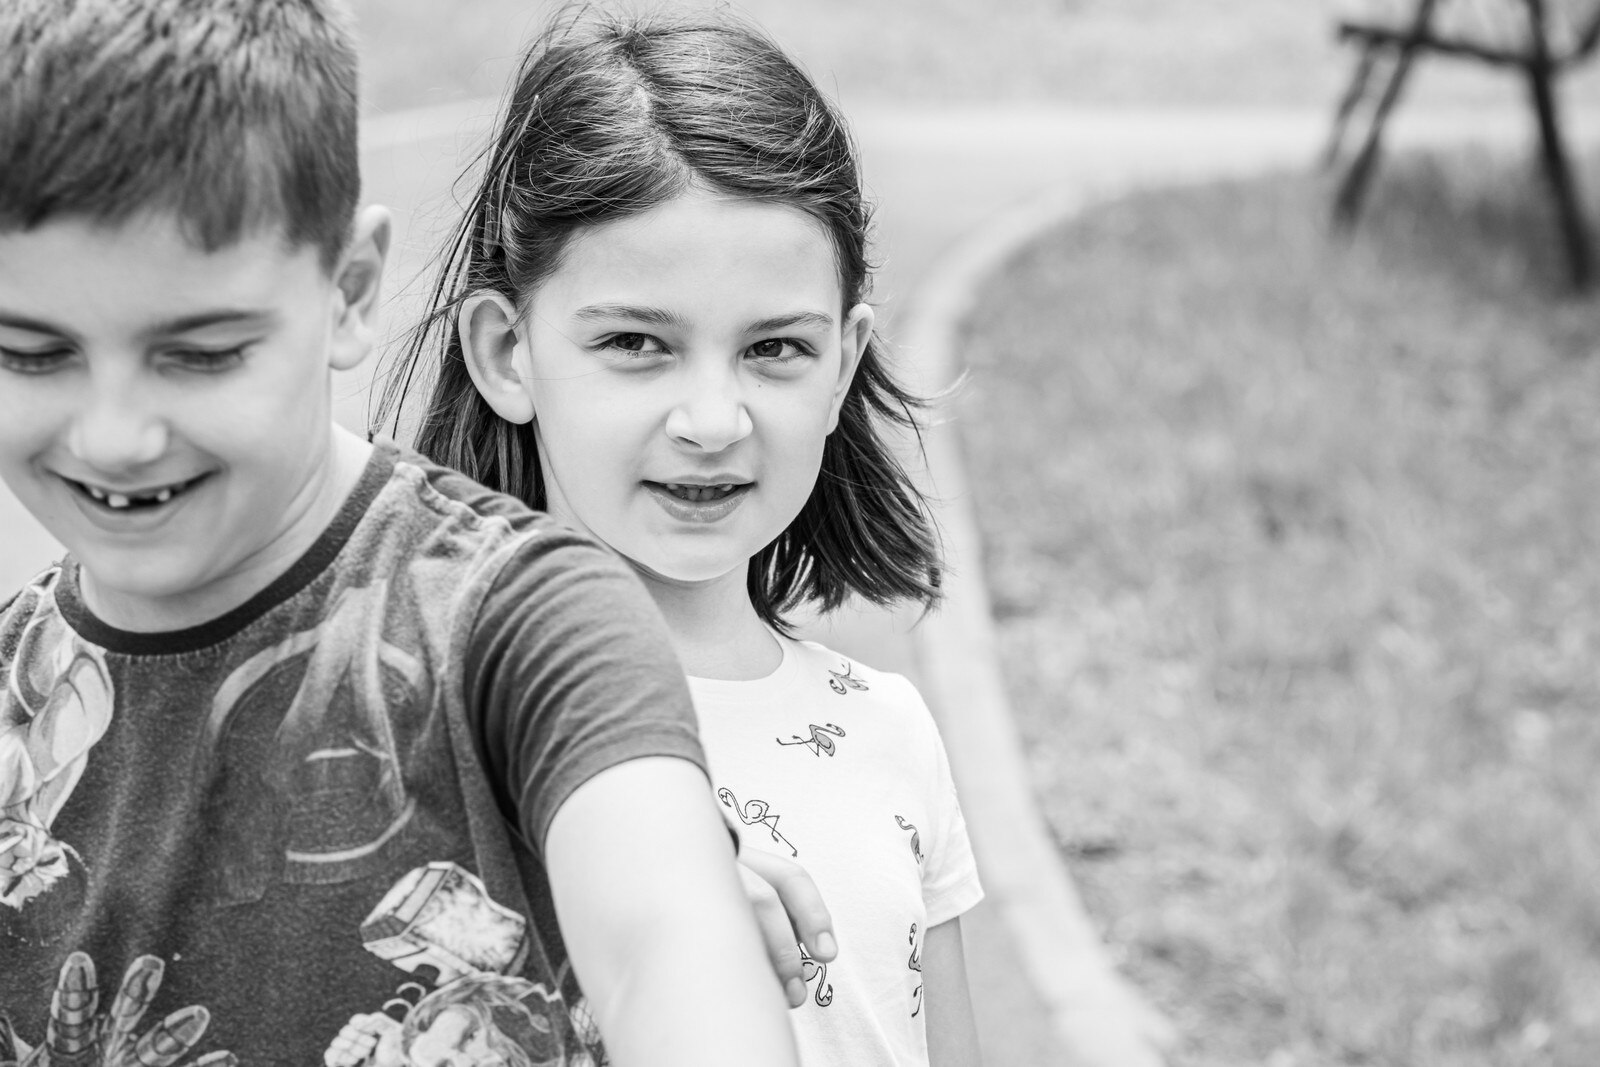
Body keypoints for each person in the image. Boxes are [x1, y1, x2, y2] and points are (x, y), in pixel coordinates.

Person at [0, 3, 810, 1066]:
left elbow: (660, 943)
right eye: (31, 353)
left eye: (200, 352)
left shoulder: (523, 620)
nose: (116, 436)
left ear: (349, 291)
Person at [386, 11, 985, 1066]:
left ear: (843, 366)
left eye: (774, 348)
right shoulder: (424, 720)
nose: (712, 420)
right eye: (636, 342)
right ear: (506, 352)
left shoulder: (886, 729)